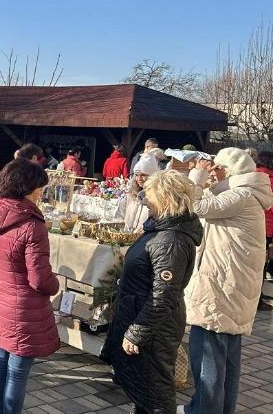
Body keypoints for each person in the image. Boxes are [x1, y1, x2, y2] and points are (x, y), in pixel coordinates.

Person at [100, 170, 203, 414]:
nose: (145, 200)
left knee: (156, 394)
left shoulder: (171, 241)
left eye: (151, 195)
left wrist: (137, 332)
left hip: (155, 329)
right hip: (145, 320)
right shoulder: (161, 232)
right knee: (144, 393)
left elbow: (163, 295)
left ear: (166, 199)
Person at [181, 148, 273, 414]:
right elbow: (209, 204)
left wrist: (197, 175)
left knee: (207, 358)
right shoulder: (244, 195)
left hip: (220, 290)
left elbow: (196, 205)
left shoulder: (240, 195)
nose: (213, 172)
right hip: (231, 288)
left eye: (217, 168)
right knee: (227, 362)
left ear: (228, 170)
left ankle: (202, 410)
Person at [0, 158, 58, 413]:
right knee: (16, 372)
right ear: (27, 187)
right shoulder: (32, 224)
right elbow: (39, 279)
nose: (41, 192)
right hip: (24, 307)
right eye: (40, 187)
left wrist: (1, 269)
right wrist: (55, 285)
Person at [116, 154, 160, 232]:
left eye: (143, 175)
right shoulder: (130, 196)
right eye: (136, 175)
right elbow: (119, 215)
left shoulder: (156, 199)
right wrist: (120, 230)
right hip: (126, 238)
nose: (139, 179)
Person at [256, 151, 273, 311]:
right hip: (267, 230)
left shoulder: (253, 176)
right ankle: (258, 299)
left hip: (252, 227)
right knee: (261, 265)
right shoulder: (271, 179)